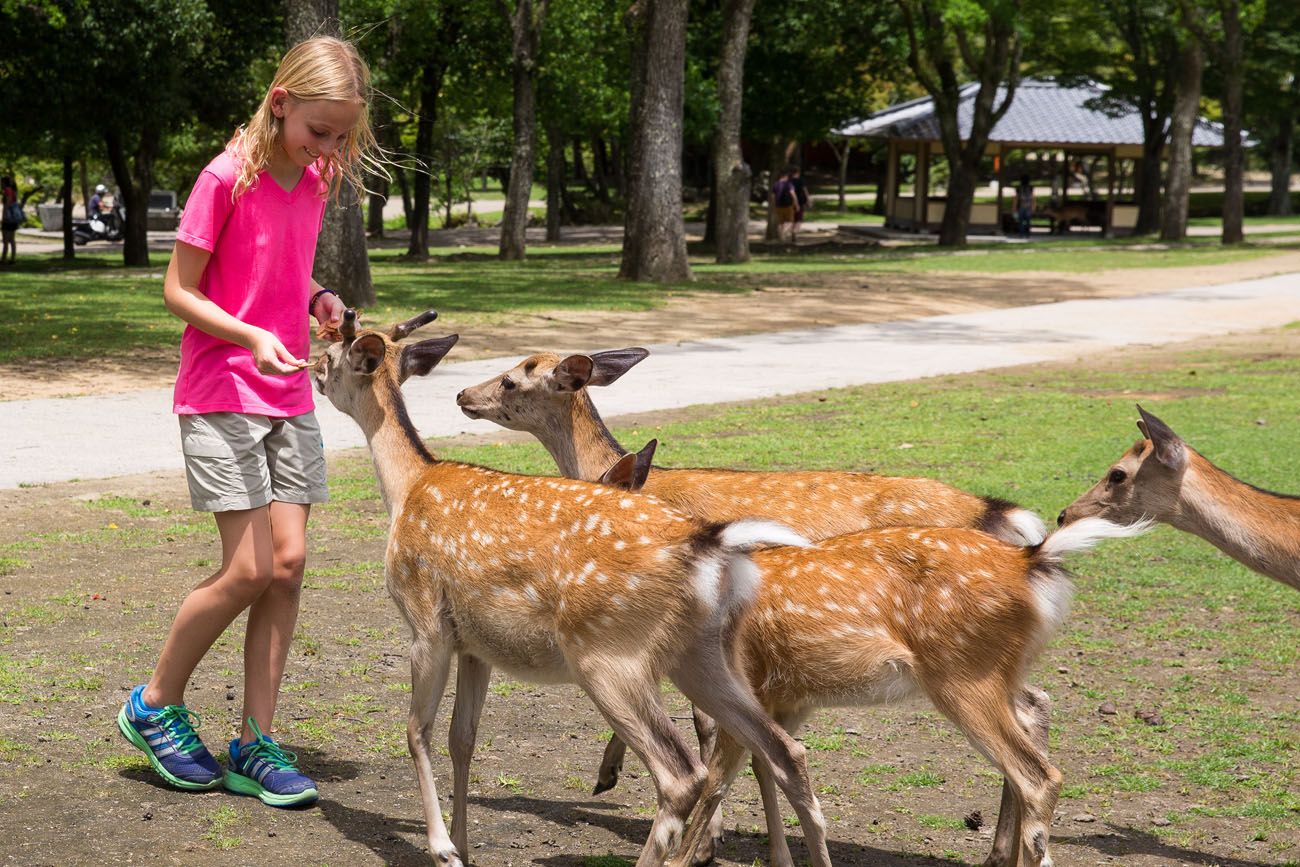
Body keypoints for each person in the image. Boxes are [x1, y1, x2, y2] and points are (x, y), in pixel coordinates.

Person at [116, 36, 376, 808]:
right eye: (318, 131)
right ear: (280, 103)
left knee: (288, 564)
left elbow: (280, 270)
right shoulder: (224, 178)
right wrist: (251, 334)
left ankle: (255, 740)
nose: (329, 148)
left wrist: (316, 300)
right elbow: (180, 289)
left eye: (341, 137)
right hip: (222, 388)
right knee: (249, 569)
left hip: (288, 393)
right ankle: (155, 702)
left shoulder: (317, 179)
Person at [772, 167, 797, 244]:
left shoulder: (775, 185)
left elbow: (773, 196)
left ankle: (781, 237)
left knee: (780, 222)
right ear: (786, 176)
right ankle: (785, 235)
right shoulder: (789, 184)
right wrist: (796, 203)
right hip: (788, 205)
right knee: (789, 222)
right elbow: (793, 194)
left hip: (778, 206)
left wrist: (774, 205)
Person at [1, 176, 20, 265]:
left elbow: (8, 203)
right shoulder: (14, 191)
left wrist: (4, 215)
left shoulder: (7, 190)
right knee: (12, 239)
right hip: (14, 218)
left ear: (4, 183)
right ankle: (12, 258)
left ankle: (3, 259)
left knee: (5, 239)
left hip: (8, 218)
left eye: (1, 182)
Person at [790, 166, 810, 239]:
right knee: (799, 219)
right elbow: (805, 191)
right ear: (798, 172)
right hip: (800, 201)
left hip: (790, 202)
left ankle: (792, 230)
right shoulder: (801, 180)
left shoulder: (789, 181)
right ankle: (795, 231)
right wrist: (808, 200)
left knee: (793, 218)